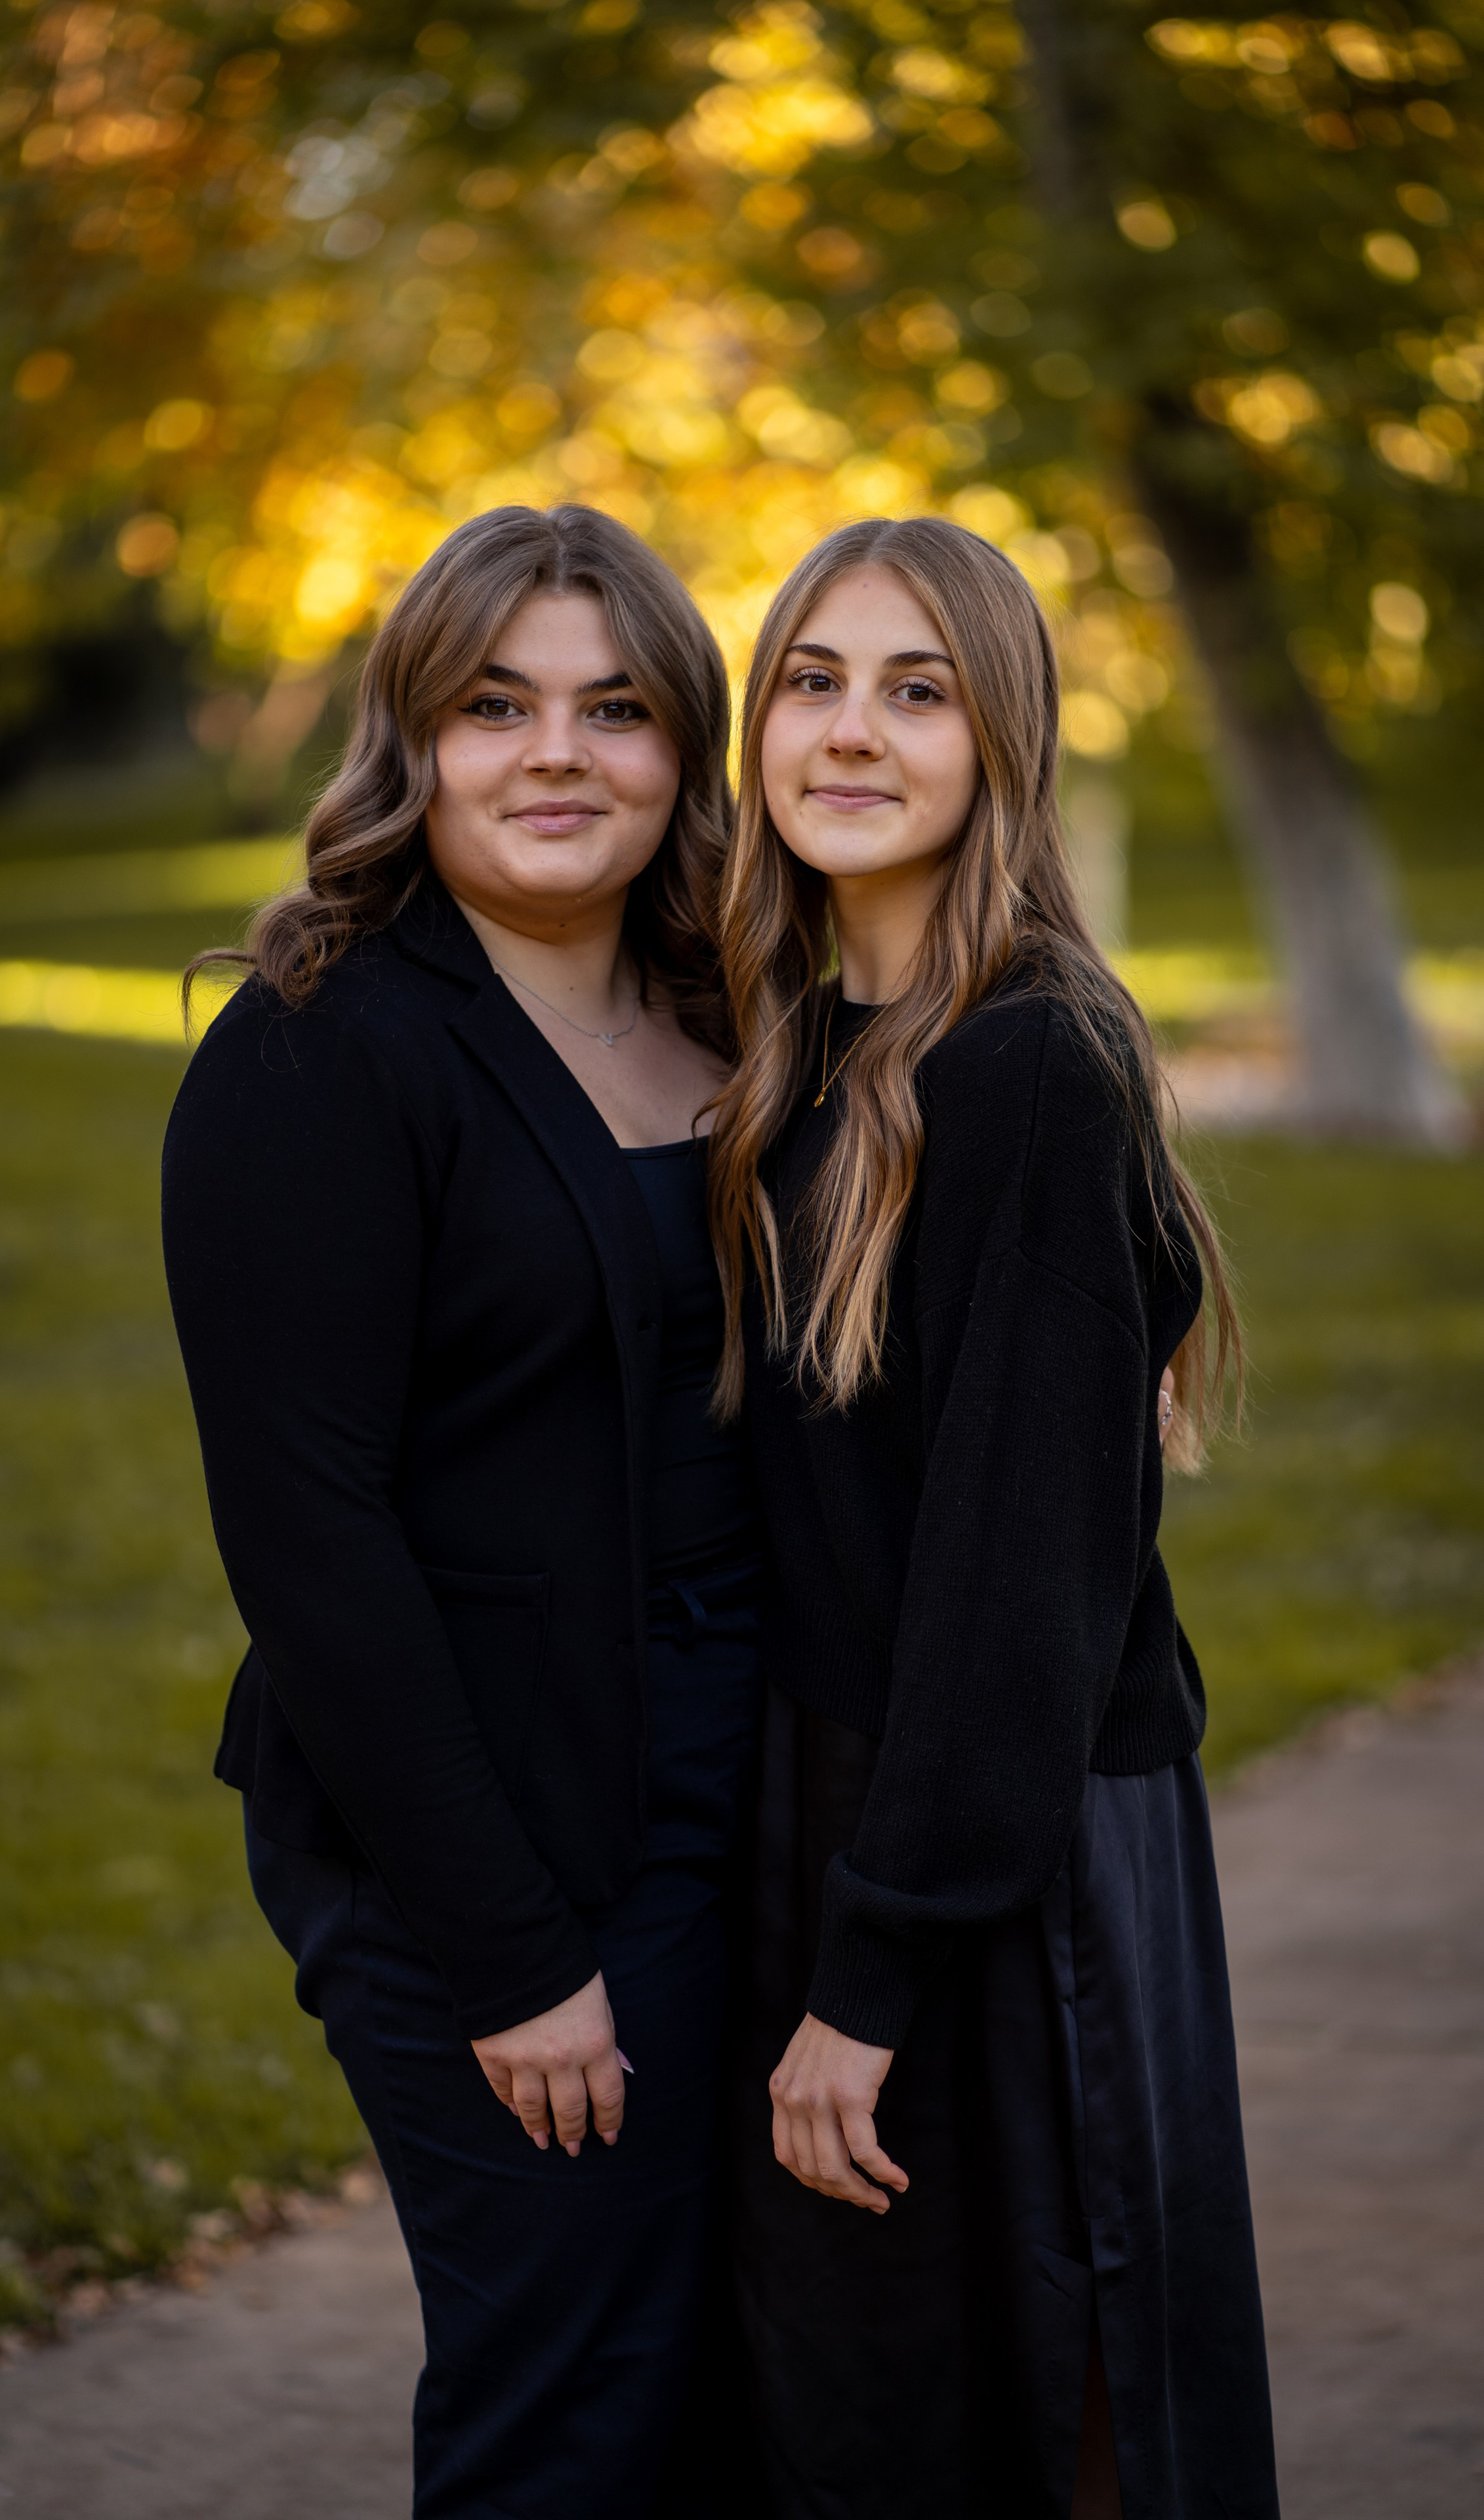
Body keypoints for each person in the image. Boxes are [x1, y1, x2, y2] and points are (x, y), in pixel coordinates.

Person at [161, 504, 767, 2519]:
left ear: (685, 747)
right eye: (496, 705)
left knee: (740, 2389)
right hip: (493, 1834)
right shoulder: (320, 1050)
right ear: (414, 736)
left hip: (742, 1785)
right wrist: (508, 1955)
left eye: (616, 708)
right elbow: (309, 1532)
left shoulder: (732, 1012)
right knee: (572, 2411)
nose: (558, 756)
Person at [707, 516, 1280, 2519]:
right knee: (879, 2429)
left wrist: (868, 1977)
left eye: (917, 689)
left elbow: (1018, 1584)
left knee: (1058, 2415)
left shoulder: (1029, 1065)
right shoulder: (786, 1052)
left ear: (1000, 741)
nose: (850, 732)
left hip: (1002, 1848)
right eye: (811, 679)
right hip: (854, 1814)